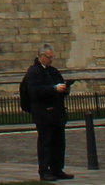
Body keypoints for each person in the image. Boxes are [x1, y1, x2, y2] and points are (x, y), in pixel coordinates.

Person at [19, 43, 75, 181]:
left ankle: (57, 169)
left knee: (59, 143)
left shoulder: (53, 71)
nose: (51, 60)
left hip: (56, 113)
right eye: (49, 57)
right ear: (41, 56)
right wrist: (54, 89)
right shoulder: (33, 72)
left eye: (52, 57)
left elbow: (59, 86)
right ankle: (44, 171)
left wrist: (65, 89)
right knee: (46, 143)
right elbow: (35, 92)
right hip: (43, 114)